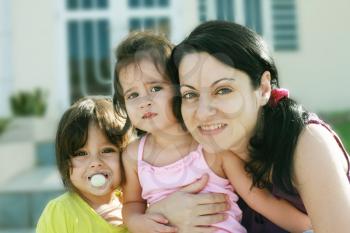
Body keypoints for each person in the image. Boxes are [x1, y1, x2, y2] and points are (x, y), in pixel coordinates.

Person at [146, 20, 350, 233]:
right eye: (190, 94)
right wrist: (160, 213)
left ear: (263, 88)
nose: (203, 112)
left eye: (223, 90)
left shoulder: (308, 143)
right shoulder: (202, 155)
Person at [113, 31, 312, 233]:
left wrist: (310, 227)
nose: (143, 102)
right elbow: (131, 203)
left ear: (180, 89)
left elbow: (259, 199)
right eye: (132, 94)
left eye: (155, 88)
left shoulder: (211, 147)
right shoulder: (133, 156)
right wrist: (136, 221)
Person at [36, 96, 130, 233]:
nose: (95, 163)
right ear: (66, 162)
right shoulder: (60, 212)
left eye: (107, 150)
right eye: (81, 154)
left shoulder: (137, 208)